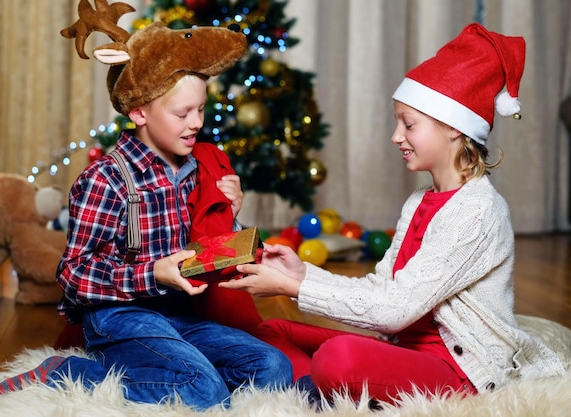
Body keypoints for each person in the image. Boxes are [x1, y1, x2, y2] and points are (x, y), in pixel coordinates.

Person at [220, 22, 566, 406]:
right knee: (274, 329)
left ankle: (317, 389)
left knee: (339, 359)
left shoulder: (478, 210)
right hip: (404, 347)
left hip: (458, 370)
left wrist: (293, 288)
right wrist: (301, 274)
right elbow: (383, 289)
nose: (396, 136)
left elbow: (393, 311)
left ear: (453, 128)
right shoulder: (420, 200)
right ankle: (319, 390)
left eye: (408, 124)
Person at [0, 2, 291, 410]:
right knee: (203, 390)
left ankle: (173, 372)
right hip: (120, 317)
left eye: (201, 109)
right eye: (183, 113)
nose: (196, 123)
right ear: (139, 111)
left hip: (180, 314)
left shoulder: (199, 167)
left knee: (272, 367)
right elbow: (74, 276)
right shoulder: (106, 180)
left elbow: (208, 243)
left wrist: (230, 212)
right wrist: (153, 273)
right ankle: (70, 373)